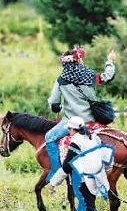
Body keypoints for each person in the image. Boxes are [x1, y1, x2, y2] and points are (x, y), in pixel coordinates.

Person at [45, 47, 116, 182]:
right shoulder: (90, 76)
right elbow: (108, 77)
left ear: (65, 64)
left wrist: (57, 107)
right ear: (79, 61)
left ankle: (55, 171)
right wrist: (110, 61)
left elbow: (54, 103)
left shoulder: (61, 80)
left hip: (70, 122)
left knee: (49, 137)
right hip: (91, 120)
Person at [48, 116, 114, 211]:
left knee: (89, 209)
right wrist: (104, 173)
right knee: (87, 207)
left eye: (69, 129)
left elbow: (67, 166)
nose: (69, 132)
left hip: (84, 180)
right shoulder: (93, 137)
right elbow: (106, 155)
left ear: (73, 129)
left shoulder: (76, 141)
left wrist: (53, 182)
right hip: (96, 177)